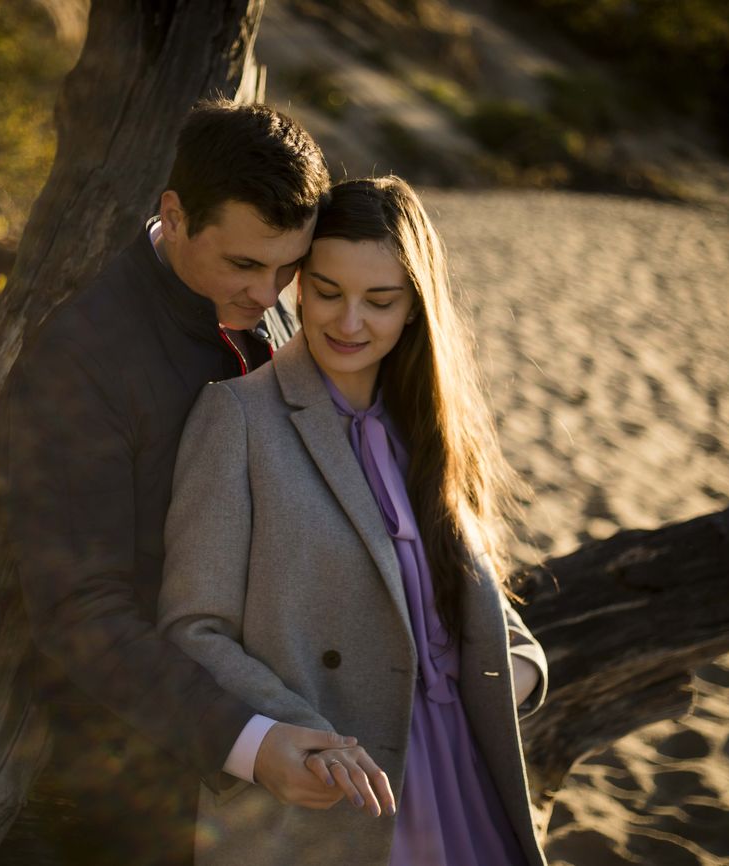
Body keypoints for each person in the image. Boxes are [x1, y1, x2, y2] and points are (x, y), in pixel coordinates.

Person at [0, 101, 391, 864]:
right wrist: (248, 740)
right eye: (244, 265)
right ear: (175, 216)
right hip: (142, 762)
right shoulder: (82, 361)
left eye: (288, 268)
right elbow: (80, 611)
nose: (269, 296)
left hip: (292, 717)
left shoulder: (261, 306)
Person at [158, 176, 551, 865]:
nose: (349, 322)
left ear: (415, 307)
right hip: (332, 794)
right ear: (298, 288)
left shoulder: (432, 425)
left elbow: (475, 601)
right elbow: (194, 628)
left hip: (463, 775)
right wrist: (302, 737)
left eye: (380, 300)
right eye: (329, 292)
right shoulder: (237, 418)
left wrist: (516, 666)